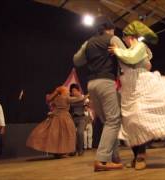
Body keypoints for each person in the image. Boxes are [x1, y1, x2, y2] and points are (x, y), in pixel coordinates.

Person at [109, 21, 165, 170]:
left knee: (139, 116)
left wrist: (117, 51)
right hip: (128, 87)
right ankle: (136, 156)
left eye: (125, 37)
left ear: (130, 36)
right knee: (129, 122)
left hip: (140, 83)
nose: (124, 40)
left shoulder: (139, 47)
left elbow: (132, 58)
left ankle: (141, 155)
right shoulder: (129, 49)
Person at [73, 16, 125, 171]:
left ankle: (114, 158)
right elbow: (126, 56)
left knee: (108, 122)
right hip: (106, 82)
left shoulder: (88, 42)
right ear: (110, 29)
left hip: (91, 85)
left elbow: (77, 60)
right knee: (114, 120)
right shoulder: (112, 38)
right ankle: (102, 160)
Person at [26, 86, 84, 158]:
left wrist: (53, 112)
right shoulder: (66, 98)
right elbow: (80, 99)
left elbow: (50, 103)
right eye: (67, 90)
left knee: (56, 136)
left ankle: (57, 153)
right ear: (64, 92)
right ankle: (62, 152)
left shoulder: (56, 98)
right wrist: (79, 94)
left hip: (55, 118)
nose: (69, 92)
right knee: (65, 135)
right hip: (65, 118)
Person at [69, 84, 87, 156]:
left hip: (81, 118)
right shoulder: (70, 98)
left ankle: (80, 150)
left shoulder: (83, 97)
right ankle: (73, 150)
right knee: (72, 134)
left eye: (75, 90)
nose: (74, 92)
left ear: (78, 90)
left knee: (80, 133)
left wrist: (85, 104)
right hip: (73, 118)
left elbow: (87, 105)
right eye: (72, 91)